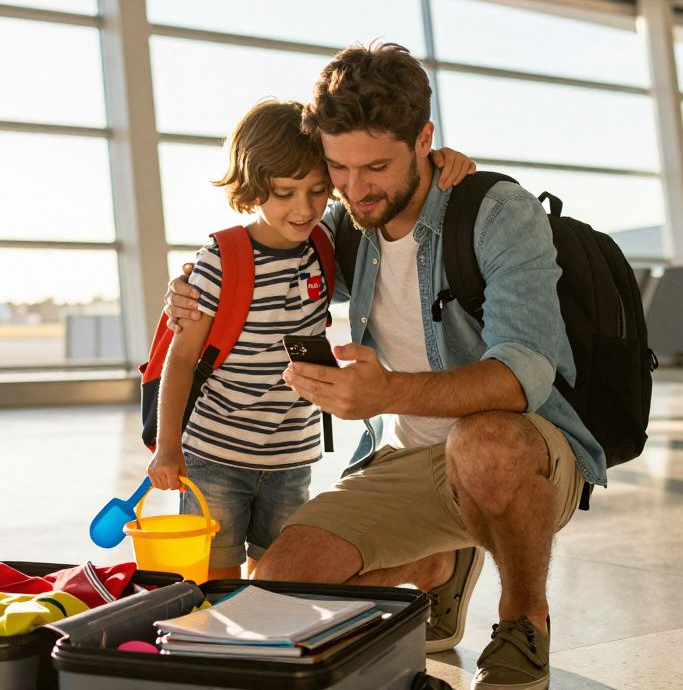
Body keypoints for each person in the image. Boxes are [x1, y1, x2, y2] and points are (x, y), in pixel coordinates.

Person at [163, 44, 607, 690]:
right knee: (276, 583)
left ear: (425, 140)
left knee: (482, 442)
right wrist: (193, 290)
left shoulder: (496, 213)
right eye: (337, 168)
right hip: (402, 459)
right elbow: (277, 256)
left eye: (375, 166)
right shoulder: (348, 225)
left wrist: (386, 391)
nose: (354, 189)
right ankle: (433, 570)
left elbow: (522, 374)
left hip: (521, 449)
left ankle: (522, 620)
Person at [147, 98, 477, 581]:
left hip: (291, 458)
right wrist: (167, 446)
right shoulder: (221, 258)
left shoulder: (325, 246)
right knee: (214, 585)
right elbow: (182, 360)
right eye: (284, 193)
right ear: (253, 187)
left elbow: (399, 197)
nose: (303, 208)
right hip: (216, 457)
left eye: (318, 190)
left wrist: (445, 161)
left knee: (276, 584)